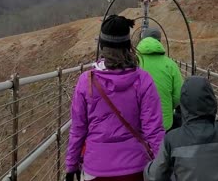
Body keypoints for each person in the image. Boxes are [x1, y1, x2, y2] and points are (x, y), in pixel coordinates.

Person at [66, 15, 165, 181]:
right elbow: (153, 130)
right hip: (135, 168)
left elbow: (78, 129)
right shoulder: (143, 80)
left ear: (102, 46)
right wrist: (163, 166)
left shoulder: (86, 81)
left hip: (96, 168)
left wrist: (71, 165)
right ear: (128, 46)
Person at [136, 27, 182, 131]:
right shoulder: (170, 65)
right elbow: (178, 96)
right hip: (163, 124)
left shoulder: (133, 62)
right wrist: (169, 106)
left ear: (142, 40)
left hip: (138, 125)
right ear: (159, 41)